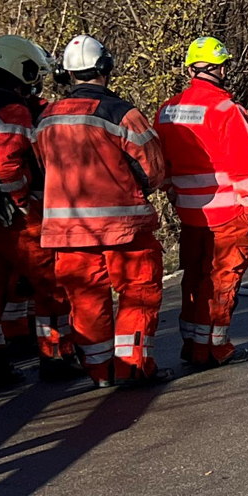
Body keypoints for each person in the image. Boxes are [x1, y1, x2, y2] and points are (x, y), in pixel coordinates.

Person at [34, 35, 168, 388]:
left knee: (85, 299)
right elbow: (153, 167)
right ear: (106, 67)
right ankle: (133, 367)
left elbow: (42, 166)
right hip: (122, 227)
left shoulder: (46, 117)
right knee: (138, 292)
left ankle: (100, 371)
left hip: (67, 231)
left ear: (66, 73)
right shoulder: (122, 113)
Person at [0, 36, 74, 388]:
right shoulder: (10, 107)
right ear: (19, 68)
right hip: (8, 213)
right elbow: (6, 164)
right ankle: (56, 356)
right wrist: (23, 202)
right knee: (51, 279)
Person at [155, 37, 248, 369]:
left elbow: (159, 164)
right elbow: (244, 164)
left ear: (190, 70)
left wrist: (174, 195)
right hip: (227, 213)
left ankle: (192, 343)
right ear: (221, 69)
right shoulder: (226, 110)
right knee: (222, 281)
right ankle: (215, 348)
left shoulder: (167, 110)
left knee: (195, 278)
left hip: (189, 214)